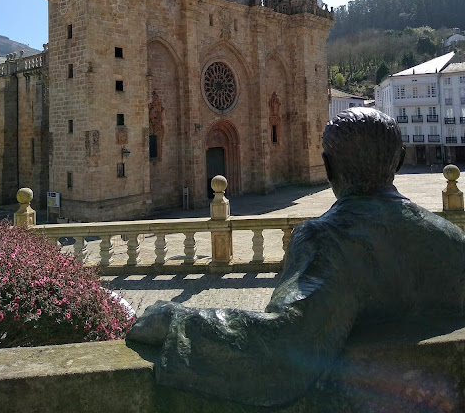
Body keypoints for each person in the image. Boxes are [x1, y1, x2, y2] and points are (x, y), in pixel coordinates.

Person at [127, 108, 465, 408]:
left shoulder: (327, 239)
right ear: (400, 159)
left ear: (328, 167)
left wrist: (176, 322)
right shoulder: (451, 239)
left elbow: (282, 350)